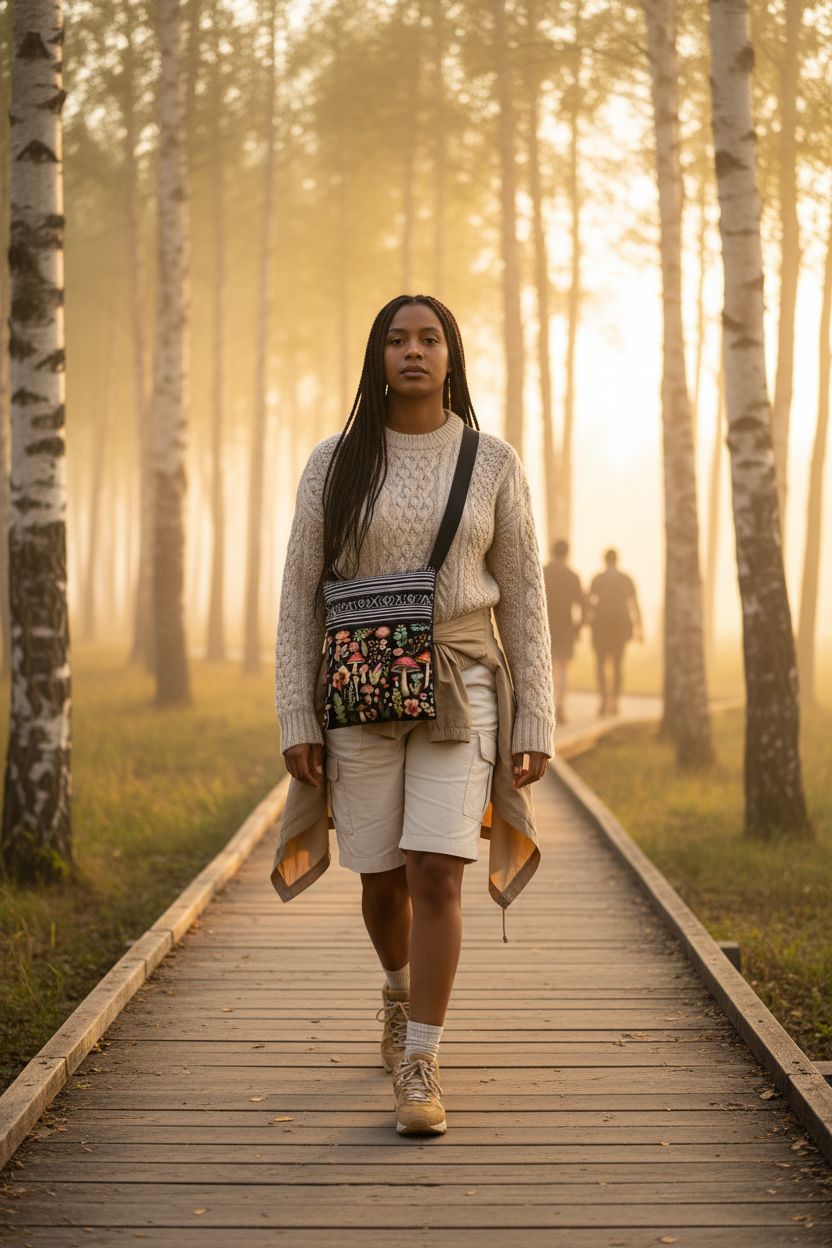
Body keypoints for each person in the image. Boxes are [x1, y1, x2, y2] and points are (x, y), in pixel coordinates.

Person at [273, 294, 555, 1137]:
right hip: (357, 691)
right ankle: (396, 993)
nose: (413, 352)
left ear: (451, 355)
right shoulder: (333, 463)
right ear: (377, 358)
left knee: (438, 868)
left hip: (462, 686)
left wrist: (533, 719)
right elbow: (298, 595)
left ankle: (422, 1060)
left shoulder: (493, 461)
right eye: (397, 340)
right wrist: (296, 711)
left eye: (429, 338)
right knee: (382, 877)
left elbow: (526, 595)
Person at [586, 548, 643, 717]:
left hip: (601, 626)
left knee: (601, 664)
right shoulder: (626, 579)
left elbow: (589, 603)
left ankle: (604, 700)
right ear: (617, 560)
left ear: (605, 560)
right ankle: (615, 702)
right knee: (618, 665)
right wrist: (640, 628)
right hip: (621, 627)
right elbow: (634, 604)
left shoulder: (598, 579)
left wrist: (585, 623)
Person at [542, 539, 585, 725]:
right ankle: (560, 706)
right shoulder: (572, 575)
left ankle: (546, 705)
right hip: (566, 626)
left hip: (545, 624)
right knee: (564, 667)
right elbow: (582, 604)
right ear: (567, 553)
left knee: (546, 667)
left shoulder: (543, 571)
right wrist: (579, 627)